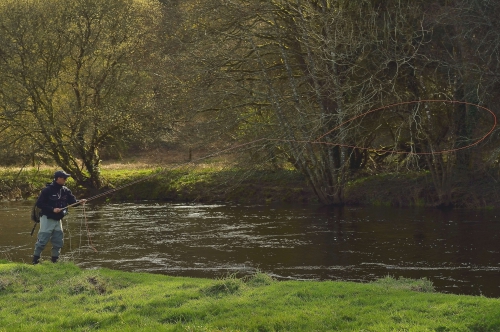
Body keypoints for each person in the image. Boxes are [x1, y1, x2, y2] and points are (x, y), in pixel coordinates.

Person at [33, 170, 86, 264]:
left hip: (58, 220)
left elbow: (73, 202)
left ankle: (55, 261)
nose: (66, 179)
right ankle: (35, 261)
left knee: (58, 241)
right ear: (58, 178)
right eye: (64, 178)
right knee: (42, 241)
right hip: (47, 218)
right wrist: (52, 209)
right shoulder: (47, 190)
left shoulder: (66, 190)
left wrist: (79, 202)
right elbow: (39, 204)